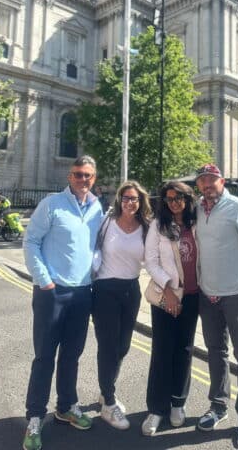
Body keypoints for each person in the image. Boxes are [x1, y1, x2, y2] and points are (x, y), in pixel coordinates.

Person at [22, 156, 103, 450]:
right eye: (79, 174)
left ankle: (66, 406)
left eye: (89, 176)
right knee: (44, 356)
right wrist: (45, 280)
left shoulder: (96, 207)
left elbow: (95, 246)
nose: (83, 180)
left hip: (83, 293)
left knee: (71, 355)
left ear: (94, 179)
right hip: (52, 292)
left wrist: (95, 270)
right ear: (69, 176)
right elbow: (31, 241)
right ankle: (34, 417)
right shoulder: (51, 204)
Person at [194, 164, 238, 448]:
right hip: (208, 295)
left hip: (237, 294)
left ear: (222, 181)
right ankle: (218, 406)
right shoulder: (198, 209)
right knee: (215, 353)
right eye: (203, 181)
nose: (207, 184)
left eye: (212, 180)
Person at [92, 180, 152, 430]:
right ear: (119, 200)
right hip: (105, 290)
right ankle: (108, 401)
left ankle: (106, 391)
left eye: (135, 199)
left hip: (131, 290)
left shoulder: (147, 227)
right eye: (126, 198)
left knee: (123, 346)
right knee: (108, 346)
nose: (130, 202)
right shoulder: (106, 222)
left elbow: (154, 259)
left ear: (141, 202)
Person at [142, 181, 199, 436]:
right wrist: (168, 290)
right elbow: (150, 261)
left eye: (178, 197)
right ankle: (156, 408)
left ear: (187, 199)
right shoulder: (158, 225)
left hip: (193, 296)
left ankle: (178, 402)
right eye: (169, 198)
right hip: (168, 296)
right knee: (162, 350)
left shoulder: (197, 223)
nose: (174, 202)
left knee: (184, 350)